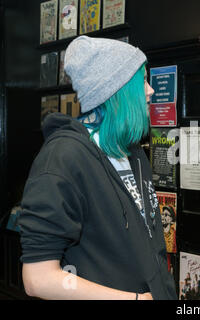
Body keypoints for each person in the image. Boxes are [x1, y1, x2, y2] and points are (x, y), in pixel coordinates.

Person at [18, 36, 177, 300]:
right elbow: (38, 279)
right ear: (116, 90)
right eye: (142, 80)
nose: (150, 90)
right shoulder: (62, 159)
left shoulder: (133, 152)